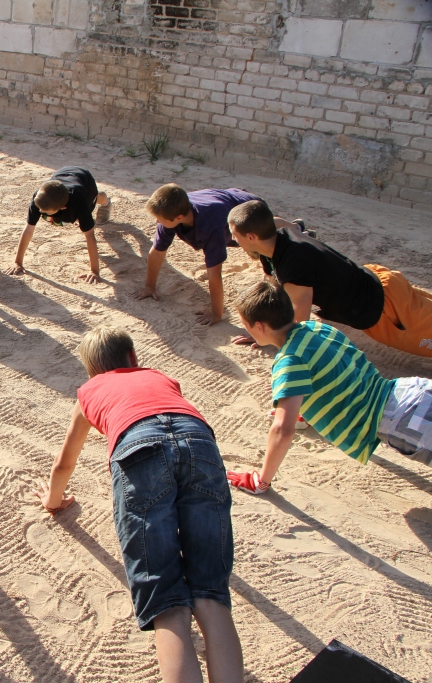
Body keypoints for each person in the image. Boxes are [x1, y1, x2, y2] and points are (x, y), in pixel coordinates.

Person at [36, 326, 243, 683]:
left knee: (166, 600)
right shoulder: (159, 377)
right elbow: (172, 421)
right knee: (210, 593)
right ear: (133, 358)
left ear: (91, 371)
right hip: (199, 443)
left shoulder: (89, 391)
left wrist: (53, 500)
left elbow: (64, 462)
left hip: (139, 448)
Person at [227, 282, 431, 495]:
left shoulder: (290, 360)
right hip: (412, 389)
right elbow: (337, 371)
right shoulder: (316, 328)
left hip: (403, 420)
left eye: (246, 324)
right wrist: (303, 411)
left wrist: (261, 481)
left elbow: (282, 430)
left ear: (259, 326)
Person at [228, 200, 432, 358]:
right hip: (380, 281)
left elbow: (300, 320)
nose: (233, 240)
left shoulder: (294, 267)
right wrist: (259, 330)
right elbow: (276, 222)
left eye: (235, 235)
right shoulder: (275, 237)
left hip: (383, 308)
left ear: (251, 237)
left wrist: (271, 340)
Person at [135, 184, 267, 326]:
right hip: (225, 203)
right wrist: (149, 287)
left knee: (259, 251)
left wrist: (216, 313)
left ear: (179, 217)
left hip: (252, 210)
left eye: (159, 218)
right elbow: (157, 253)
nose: (156, 221)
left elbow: (214, 273)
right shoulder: (169, 212)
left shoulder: (209, 224)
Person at [5, 166, 112, 283]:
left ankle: (106, 202)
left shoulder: (79, 202)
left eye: (45, 211)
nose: (40, 211)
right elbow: (28, 230)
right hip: (62, 177)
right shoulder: (39, 199)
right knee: (62, 215)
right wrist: (17, 262)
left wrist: (94, 271)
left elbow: (90, 236)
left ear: (63, 207)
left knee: (94, 200)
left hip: (85, 182)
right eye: (39, 208)